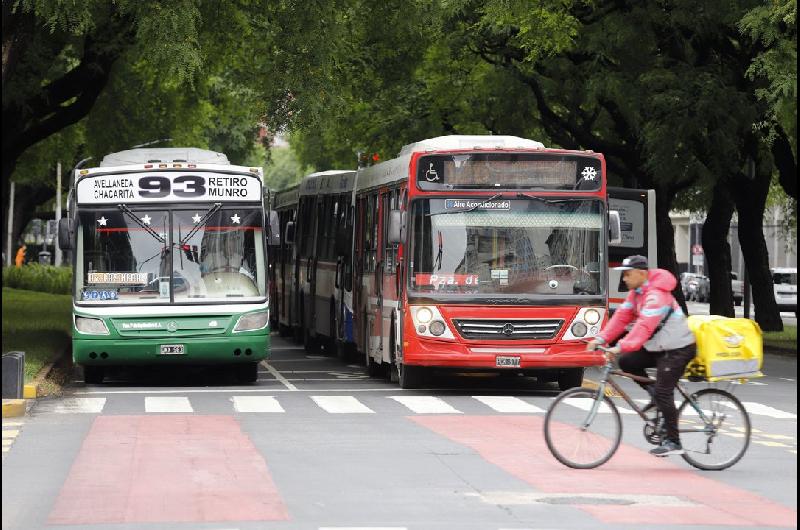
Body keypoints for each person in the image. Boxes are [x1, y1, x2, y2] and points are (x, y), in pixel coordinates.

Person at [587, 255, 696, 457]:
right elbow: (620, 318)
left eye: (628, 274)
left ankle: (674, 441)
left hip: (678, 348)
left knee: (665, 392)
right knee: (628, 362)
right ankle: (655, 395)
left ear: (642, 273)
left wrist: (619, 347)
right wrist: (600, 339)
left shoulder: (656, 295)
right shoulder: (636, 293)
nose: (624, 279)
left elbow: (644, 326)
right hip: (659, 346)